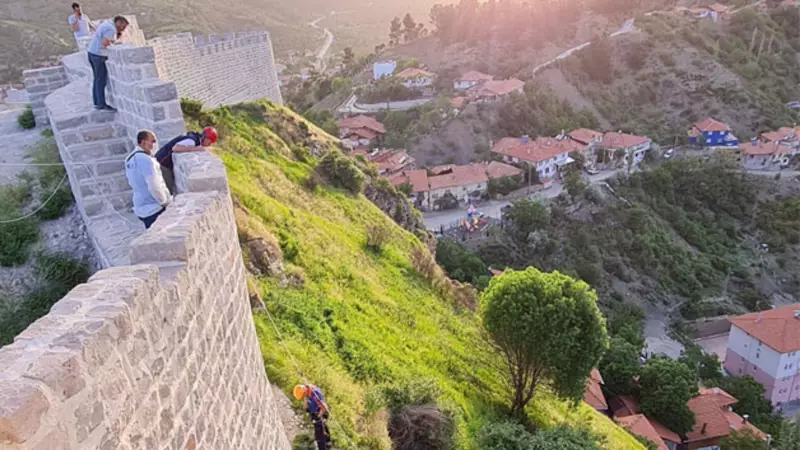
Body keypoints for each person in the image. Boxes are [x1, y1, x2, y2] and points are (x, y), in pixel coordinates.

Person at [125, 130, 172, 229]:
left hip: (140, 206)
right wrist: (164, 202)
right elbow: (154, 185)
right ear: (143, 142)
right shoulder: (147, 160)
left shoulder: (129, 159)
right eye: (152, 141)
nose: (154, 144)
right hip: (154, 208)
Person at [155, 127, 218, 192]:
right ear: (206, 138)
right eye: (210, 142)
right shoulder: (192, 141)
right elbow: (175, 148)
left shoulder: (194, 136)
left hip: (161, 160)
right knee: (168, 188)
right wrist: (195, 149)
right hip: (162, 163)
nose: (210, 144)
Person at [87, 16, 128, 110]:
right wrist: (113, 44)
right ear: (119, 22)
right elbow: (105, 43)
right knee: (101, 80)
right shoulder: (111, 29)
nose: (123, 29)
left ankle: (97, 102)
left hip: (92, 53)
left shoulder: (106, 24)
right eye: (123, 26)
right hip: (99, 55)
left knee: (97, 79)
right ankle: (101, 104)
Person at [293, 384, 331, 450]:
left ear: (304, 392)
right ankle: (323, 443)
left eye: (303, 396)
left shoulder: (315, 394)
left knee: (320, 432)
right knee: (318, 432)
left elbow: (323, 408)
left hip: (320, 414)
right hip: (314, 413)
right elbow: (306, 407)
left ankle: (325, 446)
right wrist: (305, 401)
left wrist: (318, 418)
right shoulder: (307, 391)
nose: (303, 397)